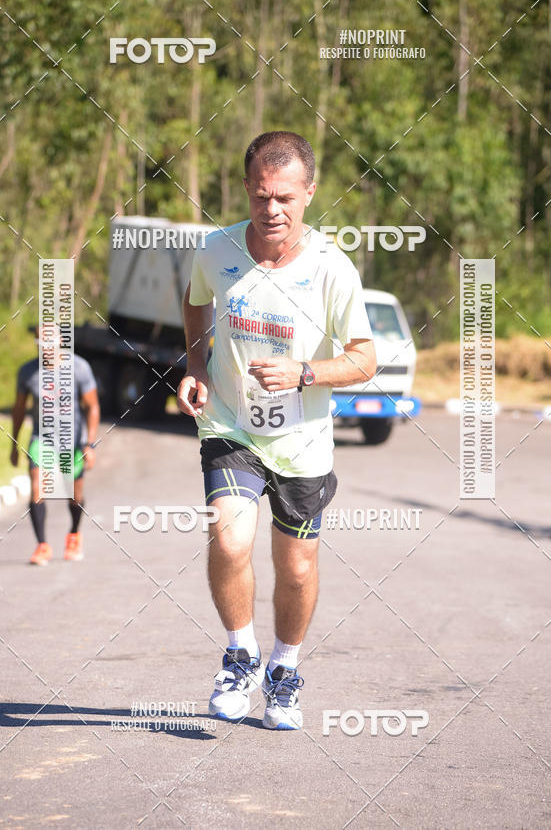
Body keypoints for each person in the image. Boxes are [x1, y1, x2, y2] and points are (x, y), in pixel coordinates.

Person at [177, 131, 376, 730]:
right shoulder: (216, 250)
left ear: (310, 194)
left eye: (286, 197)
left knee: (295, 567)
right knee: (231, 541)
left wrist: (305, 372)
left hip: (302, 443)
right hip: (231, 427)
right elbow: (195, 302)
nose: (273, 210)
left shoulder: (330, 268)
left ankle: (285, 671)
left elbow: (365, 360)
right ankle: (240, 655)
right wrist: (193, 364)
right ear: (246, 190)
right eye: (262, 196)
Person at [10, 329, 100, 565]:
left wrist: (89, 444)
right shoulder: (28, 372)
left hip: (72, 442)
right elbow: (19, 409)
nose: (47, 348)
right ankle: (42, 545)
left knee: (75, 495)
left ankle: (73, 534)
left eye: (51, 343)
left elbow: (92, 407)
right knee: (37, 489)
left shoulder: (79, 368)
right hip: (42, 440)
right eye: (42, 343)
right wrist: (14, 442)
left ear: (61, 342)